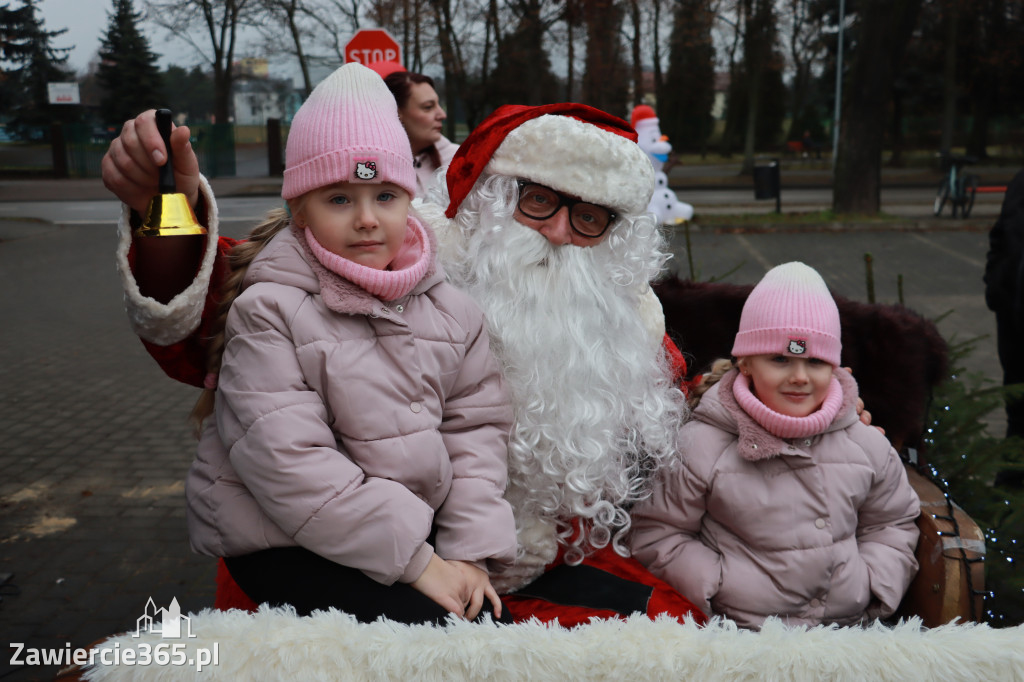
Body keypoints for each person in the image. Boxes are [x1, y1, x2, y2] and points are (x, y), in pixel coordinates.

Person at [103, 100, 706, 626]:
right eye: (538, 201)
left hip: (522, 568)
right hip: (326, 564)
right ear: (488, 202)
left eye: (590, 218)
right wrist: (166, 210)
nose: (557, 233)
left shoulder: (631, 331)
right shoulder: (373, 265)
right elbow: (199, 297)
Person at [182, 63, 517, 625]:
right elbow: (288, 461)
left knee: (488, 627)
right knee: (446, 640)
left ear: (409, 200)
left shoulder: (452, 311)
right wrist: (418, 563)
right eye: (339, 199)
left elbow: (476, 431)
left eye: (385, 195)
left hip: (403, 533)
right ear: (300, 208)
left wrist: (469, 550)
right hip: (285, 540)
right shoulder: (270, 310)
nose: (367, 220)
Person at [628, 262, 920, 629]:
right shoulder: (702, 445)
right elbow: (658, 531)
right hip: (740, 634)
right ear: (746, 363)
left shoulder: (863, 444)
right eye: (780, 360)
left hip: (847, 634)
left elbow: (892, 521)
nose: (799, 377)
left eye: (815, 361)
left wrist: (873, 583)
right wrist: (715, 586)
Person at [984, 169, 1024, 444]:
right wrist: (996, 286)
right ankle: (1011, 477)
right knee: (1017, 408)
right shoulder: (1021, 182)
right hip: (1013, 316)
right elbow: (1001, 236)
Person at [376, 64, 458, 195]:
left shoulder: (458, 159)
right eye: (428, 107)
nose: (442, 115)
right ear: (396, 113)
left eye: (439, 104)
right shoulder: (371, 166)